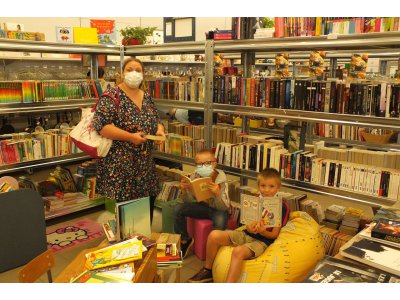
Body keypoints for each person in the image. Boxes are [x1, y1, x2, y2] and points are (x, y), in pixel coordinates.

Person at [92, 57, 165, 223]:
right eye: (129, 69)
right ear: (122, 73)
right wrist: (130, 137)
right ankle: (129, 245)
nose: (134, 73)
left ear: (143, 74)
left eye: (138, 70)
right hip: (121, 167)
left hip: (145, 166)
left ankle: (143, 244)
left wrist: (160, 131)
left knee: (147, 211)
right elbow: (102, 126)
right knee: (129, 218)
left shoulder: (146, 96)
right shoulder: (111, 96)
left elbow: (156, 121)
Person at [188, 168, 290, 283]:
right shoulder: (255, 200)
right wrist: (249, 227)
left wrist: (262, 232)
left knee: (238, 252)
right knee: (214, 235)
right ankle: (208, 271)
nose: (266, 190)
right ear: (258, 186)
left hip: (262, 241)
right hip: (246, 234)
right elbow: (247, 224)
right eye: (263, 186)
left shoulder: (282, 206)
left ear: (279, 187)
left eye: (271, 186)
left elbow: (274, 235)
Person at [174, 149, 230, 258]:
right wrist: (184, 191)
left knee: (220, 220)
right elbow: (189, 202)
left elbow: (224, 208)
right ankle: (185, 240)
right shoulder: (195, 176)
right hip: (202, 207)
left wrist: (218, 194)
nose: (203, 167)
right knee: (178, 209)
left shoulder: (221, 179)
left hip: (218, 210)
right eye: (199, 164)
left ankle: (215, 249)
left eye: (208, 163)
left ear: (215, 163)